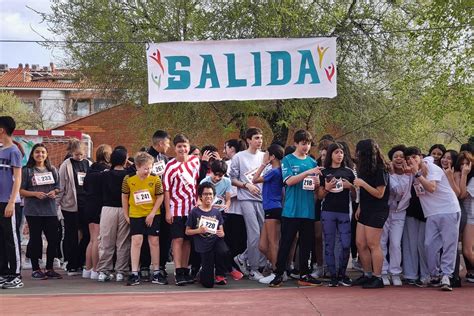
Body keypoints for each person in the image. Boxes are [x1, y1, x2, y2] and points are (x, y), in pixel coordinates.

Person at [269, 129, 323, 287]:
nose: (306, 147)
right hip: (291, 210)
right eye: (303, 143)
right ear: (296, 144)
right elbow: (289, 181)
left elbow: (315, 187)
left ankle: (305, 274)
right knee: (286, 242)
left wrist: (318, 183)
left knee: (307, 243)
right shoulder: (288, 160)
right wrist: (308, 173)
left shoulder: (313, 162)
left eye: (308, 144)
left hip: (308, 210)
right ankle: (278, 273)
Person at [405, 147, 461, 291]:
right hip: (431, 213)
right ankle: (435, 275)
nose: (411, 160)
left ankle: (446, 276)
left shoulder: (432, 167)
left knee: (449, 244)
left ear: (420, 157)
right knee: (429, 245)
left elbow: (431, 187)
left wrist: (417, 174)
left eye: (414, 157)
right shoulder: (414, 173)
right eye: (408, 158)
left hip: (449, 209)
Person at [185, 182, 243, 288]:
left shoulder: (216, 212)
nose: (208, 196)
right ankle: (203, 272)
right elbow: (187, 231)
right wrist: (199, 230)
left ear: (214, 196)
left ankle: (225, 271)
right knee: (208, 284)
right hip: (203, 246)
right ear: (200, 197)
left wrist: (221, 233)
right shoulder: (194, 212)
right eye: (205, 194)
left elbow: (222, 232)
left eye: (210, 194)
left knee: (224, 250)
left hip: (215, 242)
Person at [20, 143, 62, 280]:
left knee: (53, 239)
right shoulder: (27, 170)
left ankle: (49, 268)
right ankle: (35, 268)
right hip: (33, 211)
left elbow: (58, 187)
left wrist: (54, 192)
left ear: (47, 154)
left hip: (50, 210)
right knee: (35, 240)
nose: (40, 155)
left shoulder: (52, 169)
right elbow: (20, 190)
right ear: (32, 154)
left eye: (43, 152)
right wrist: (35, 194)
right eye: (37, 152)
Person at [229, 128, 267, 281]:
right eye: (256, 138)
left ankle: (243, 257)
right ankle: (253, 268)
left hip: (263, 199)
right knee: (254, 234)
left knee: (264, 235)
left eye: (261, 138)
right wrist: (246, 185)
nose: (259, 141)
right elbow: (232, 179)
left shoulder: (265, 156)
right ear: (248, 140)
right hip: (246, 198)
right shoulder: (239, 157)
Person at [122, 152, 164, 286]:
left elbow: (160, 196)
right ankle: (134, 272)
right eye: (145, 168)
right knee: (136, 240)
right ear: (137, 167)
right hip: (136, 214)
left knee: (154, 241)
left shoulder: (155, 179)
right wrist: (126, 214)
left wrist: (152, 214)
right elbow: (124, 196)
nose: (148, 171)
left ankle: (156, 272)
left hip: (153, 214)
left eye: (150, 168)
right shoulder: (128, 179)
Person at [163, 134, 200, 285]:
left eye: (185, 146)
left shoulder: (195, 162)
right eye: (179, 146)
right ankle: (178, 271)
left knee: (187, 241)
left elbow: (197, 183)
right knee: (177, 239)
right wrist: (168, 211)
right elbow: (166, 190)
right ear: (175, 148)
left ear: (189, 147)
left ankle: (185, 269)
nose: (182, 149)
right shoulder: (170, 166)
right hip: (176, 208)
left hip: (191, 209)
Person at [352, 139, 390, 289]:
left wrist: (363, 184)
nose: (357, 154)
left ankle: (378, 277)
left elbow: (380, 193)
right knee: (360, 243)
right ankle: (367, 274)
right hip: (365, 209)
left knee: (373, 244)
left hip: (377, 210)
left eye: (359, 151)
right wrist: (360, 207)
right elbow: (363, 192)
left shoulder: (381, 169)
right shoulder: (363, 169)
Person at [317, 142, 355, 287]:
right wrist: (326, 188)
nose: (339, 155)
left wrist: (350, 186)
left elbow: (354, 196)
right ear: (331, 154)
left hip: (344, 212)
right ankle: (333, 275)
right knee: (329, 244)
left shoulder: (349, 172)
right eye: (336, 152)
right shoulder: (324, 172)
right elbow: (319, 196)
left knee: (346, 244)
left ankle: (342, 274)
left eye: (341, 152)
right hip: (328, 212)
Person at [57, 139, 92, 276]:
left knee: (88, 234)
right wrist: (57, 205)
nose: (79, 157)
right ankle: (71, 263)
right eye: (77, 154)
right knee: (71, 235)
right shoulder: (66, 165)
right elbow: (61, 186)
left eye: (81, 154)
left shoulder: (89, 163)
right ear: (72, 152)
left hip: (86, 204)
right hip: (70, 205)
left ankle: (80, 260)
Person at [96, 148, 132, 282]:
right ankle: (121, 271)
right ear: (124, 160)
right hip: (124, 209)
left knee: (106, 240)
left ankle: (104, 270)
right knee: (123, 241)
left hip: (107, 209)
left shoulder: (104, 174)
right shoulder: (129, 174)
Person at [251, 143, 284, 284]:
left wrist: (264, 164)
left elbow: (255, 179)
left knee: (273, 242)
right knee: (263, 246)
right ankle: (278, 267)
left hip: (273, 208)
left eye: (267, 154)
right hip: (269, 208)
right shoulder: (276, 171)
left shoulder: (274, 171)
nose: (264, 156)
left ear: (272, 156)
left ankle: (277, 273)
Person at [141, 130, 171, 282]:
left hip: (163, 203)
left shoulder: (165, 159)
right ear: (160, 143)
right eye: (167, 143)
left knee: (163, 237)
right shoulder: (145, 157)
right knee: (147, 237)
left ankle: (161, 266)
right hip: (147, 204)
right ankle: (144, 266)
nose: (168, 146)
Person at [380, 145, 411, 286]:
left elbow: (399, 191)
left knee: (395, 243)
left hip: (400, 213)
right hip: (385, 212)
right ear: (391, 159)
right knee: (382, 243)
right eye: (395, 157)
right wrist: (391, 174)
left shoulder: (409, 175)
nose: (398, 159)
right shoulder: (386, 173)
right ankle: (383, 272)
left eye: (401, 156)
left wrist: (393, 175)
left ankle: (395, 272)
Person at [0, 116, 23, 289]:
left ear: (2, 130)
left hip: (9, 202)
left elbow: (17, 179)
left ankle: (16, 275)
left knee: (11, 238)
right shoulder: (1, 150)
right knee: (1, 238)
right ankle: (4, 272)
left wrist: (11, 202)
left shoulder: (14, 151)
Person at [83, 144, 112, 280]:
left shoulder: (90, 169)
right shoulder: (106, 171)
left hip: (88, 205)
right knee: (97, 240)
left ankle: (87, 269)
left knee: (91, 239)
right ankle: (96, 269)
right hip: (99, 206)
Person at [223, 139, 248, 273]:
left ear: (232, 148)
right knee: (236, 240)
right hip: (234, 207)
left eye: (225, 147)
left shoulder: (232, 164)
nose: (224, 151)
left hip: (238, 208)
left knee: (236, 240)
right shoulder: (227, 164)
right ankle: (232, 267)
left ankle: (235, 266)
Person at [456, 151, 474, 283]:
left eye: (467, 164)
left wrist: (463, 175)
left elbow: (461, 195)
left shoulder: (472, 179)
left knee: (467, 251)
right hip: (463, 215)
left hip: (471, 217)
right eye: (461, 164)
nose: (464, 166)